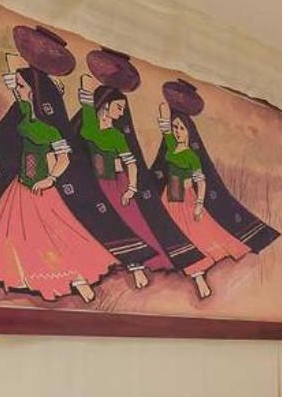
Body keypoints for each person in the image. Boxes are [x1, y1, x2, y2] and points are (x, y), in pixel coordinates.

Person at [0, 32, 116, 303]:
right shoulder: (26, 116)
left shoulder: (48, 128)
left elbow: (64, 157)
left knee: (53, 237)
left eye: (23, 88)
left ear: (35, 93)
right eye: (19, 88)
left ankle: (77, 281)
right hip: (20, 187)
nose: (19, 91)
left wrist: (50, 179)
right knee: (19, 236)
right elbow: (17, 85)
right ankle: (35, 280)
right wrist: (26, 59)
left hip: (41, 189)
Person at [72, 49, 208, 293]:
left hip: (119, 184)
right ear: (106, 107)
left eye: (122, 109)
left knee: (134, 226)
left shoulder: (116, 135)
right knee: (96, 226)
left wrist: (132, 187)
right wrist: (88, 87)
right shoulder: (90, 127)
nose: (121, 113)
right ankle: (89, 273)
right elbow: (87, 111)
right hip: (96, 185)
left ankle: (137, 267)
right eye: (118, 108)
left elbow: (131, 162)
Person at [151, 79, 278, 297]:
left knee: (194, 236)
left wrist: (199, 204)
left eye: (181, 128)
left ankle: (198, 277)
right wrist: (164, 116)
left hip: (186, 199)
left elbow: (201, 181)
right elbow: (165, 131)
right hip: (169, 197)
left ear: (189, 132)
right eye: (176, 128)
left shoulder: (191, 155)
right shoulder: (171, 148)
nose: (178, 131)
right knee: (170, 235)